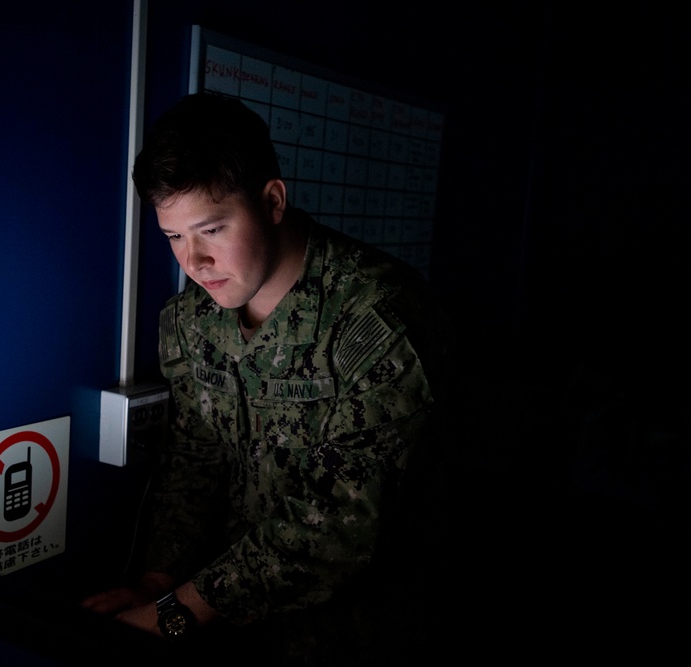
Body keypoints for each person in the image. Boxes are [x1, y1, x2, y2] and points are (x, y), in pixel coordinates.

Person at [83, 92, 451, 663]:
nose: (193, 262)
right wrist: (158, 585)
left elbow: (341, 525)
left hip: (354, 635)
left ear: (273, 201)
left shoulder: (379, 321)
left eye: (210, 229)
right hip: (218, 623)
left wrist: (177, 614)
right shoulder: (189, 320)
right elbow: (193, 458)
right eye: (174, 237)